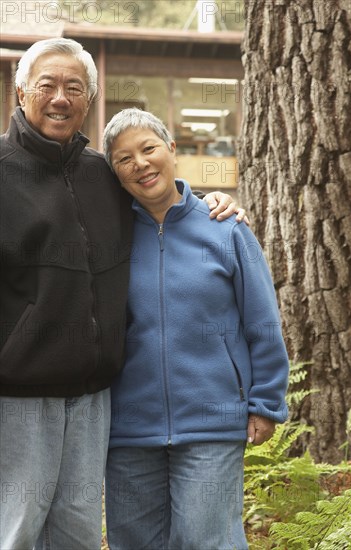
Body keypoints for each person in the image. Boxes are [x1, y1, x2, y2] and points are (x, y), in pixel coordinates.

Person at [0, 38, 242, 549]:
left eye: (74, 87)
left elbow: (161, 206)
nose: (60, 98)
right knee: (16, 530)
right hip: (17, 399)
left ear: (89, 99)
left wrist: (215, 204)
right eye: (47, 85)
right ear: (21, 93)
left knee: (80, 533)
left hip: (94, 399)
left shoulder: (102, 175)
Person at [102, 108, 289, 549]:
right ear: (115, 174)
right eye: (124, 159)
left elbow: (262, 319)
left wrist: (266, 401)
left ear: (171, 149)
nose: (141, 164)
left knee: (209, 542)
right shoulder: (110, 235)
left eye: (148, 149)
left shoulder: (225, 227)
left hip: (213, 420)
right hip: (129, 427)